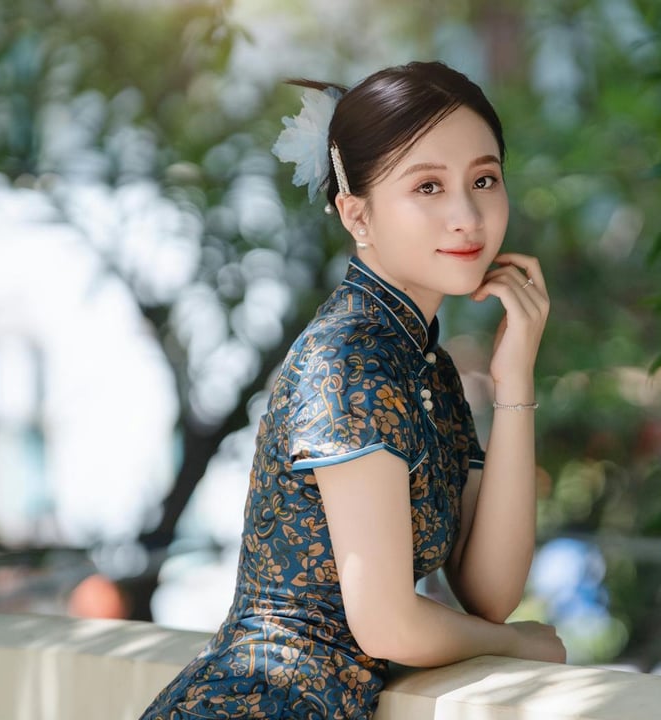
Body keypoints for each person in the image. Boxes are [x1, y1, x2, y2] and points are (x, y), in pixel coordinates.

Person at [138, 60, 564, 720]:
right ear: (356, 214)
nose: (466, 215)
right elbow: (389, 626)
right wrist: (517, 647)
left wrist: (514, 384)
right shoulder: (349, 360)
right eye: (427, 186)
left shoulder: (424, 366)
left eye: (484, 179)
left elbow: (487, 589)